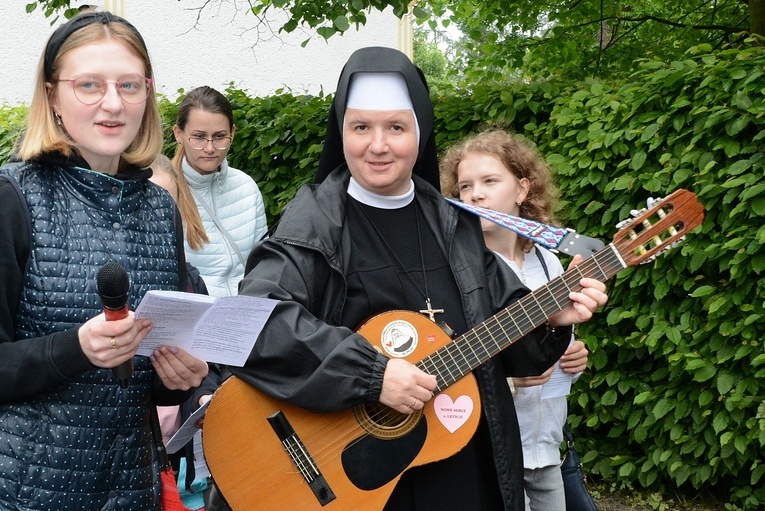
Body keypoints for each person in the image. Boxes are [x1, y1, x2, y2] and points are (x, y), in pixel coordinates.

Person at [227, 46, 608, 511]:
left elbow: (513, 344)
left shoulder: (455, 225)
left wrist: (553, 316)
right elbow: (256, 322)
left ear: (420, 132)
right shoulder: (313, 223)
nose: (378, 144)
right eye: (361, 126)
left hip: (458, 464)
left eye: (396, 127)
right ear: (341, 131)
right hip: (354, 478)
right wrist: (372, 375)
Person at [0, 12, 209, 511]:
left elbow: (147, 381)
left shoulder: (160, 208)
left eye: (129, 85)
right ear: (51, 95)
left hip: (132, 488)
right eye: (88, 84)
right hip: (27, 491)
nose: (112, 103)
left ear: (148, 92)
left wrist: (178, 376)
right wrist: (76, 348)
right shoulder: (13, 198)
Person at [440, 129, 591, 511]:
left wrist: (574, 359)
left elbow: (557, 337)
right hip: (491, 451)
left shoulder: (549, 261)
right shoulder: (457, 271)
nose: (476, 194)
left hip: (545, 444)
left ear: (522, 190)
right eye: (465, 186)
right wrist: (506, 376)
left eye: (490, 181)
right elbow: (446, 358)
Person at [171, 86, 268, 298]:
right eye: (199, 137)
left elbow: (264, 262)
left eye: (219, 136)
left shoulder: (246, 187)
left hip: (248, 313)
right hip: (194, 322)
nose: (209, 148)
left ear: (232, 132)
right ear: (179, 134)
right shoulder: (166, 192)